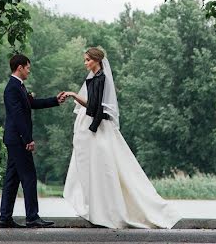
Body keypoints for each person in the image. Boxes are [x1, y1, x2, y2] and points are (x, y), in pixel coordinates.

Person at [59, 46, 181, 229]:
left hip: (99, 128)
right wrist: (73, 96)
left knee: (110, 168)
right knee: (97, 169)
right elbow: (91, 105)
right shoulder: (93, 78)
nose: (85, 63)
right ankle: (97, 208)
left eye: (88, 60)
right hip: (94, 127)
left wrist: (87, 119)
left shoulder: (101, 79)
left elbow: (95, 107)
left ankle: (111, 211)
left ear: (97, 60)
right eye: (85, 60)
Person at [0, 53, 64, 228]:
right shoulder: (12, 87)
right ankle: (32, 217)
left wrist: (55, 100)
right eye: (27, 67)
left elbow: (32, 104)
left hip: (15, 139)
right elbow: (18, 116)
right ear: (19, 67)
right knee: (29, 176)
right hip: (18, 139)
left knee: (12, 179)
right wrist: (28, 139)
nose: (29, 70)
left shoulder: (19, 86)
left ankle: (5, 218)